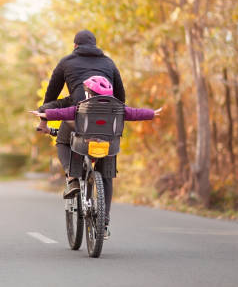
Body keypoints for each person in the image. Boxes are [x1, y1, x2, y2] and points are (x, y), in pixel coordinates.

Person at [32, 75, 162, 239]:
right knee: (107, 176)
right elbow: (134, 113)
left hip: (83, 146)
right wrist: (151, 114)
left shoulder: (81, 107)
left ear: (89, 94)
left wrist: (44, 115)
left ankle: (73, 178)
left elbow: (62, 112)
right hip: (108, 148)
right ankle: (104, 223)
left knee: (72, 147)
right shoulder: (118, 108)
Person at [37, 30, 125, 189]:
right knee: (106, 172)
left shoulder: (66, 62)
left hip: (78, 117)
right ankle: (104, 214)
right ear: (95, 45)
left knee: (63, 142)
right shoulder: (109, 63)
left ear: (75, 45)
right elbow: (121, 97)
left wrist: (44, 121)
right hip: (108, 120)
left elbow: (51, 95)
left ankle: (72, 178)